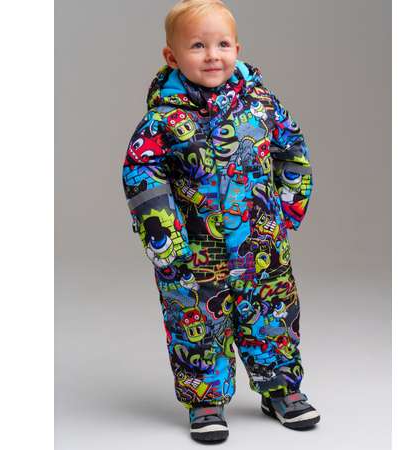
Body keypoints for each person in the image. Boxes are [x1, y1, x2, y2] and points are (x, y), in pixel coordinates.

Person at [122, 0, 320, 442]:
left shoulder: (262, 105)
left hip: (262, 247)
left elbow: (292, 149)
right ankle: (205, 400)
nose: (212, 55)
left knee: (272, 314)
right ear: (172, 56)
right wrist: (163, 235)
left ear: (237, 49)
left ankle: (282, 389)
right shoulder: (162, 119)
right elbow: (141, 172)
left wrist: (289, 207)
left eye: (222, 45)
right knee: (196, 325)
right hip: (192, 252)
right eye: (197, 46)